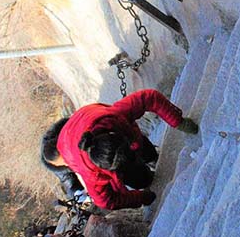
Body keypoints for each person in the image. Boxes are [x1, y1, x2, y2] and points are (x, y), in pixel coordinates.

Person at [55, 88, 198, 210]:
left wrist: (179, 122)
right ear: (110, 170)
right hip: (67, 145)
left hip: (89, 115)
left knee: (143, 149)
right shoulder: (92, 175)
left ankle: (149, 156)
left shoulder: (114, 118)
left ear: (117, 135)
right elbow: (106, 201)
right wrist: (141, 198)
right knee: (142, 180)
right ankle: (143, 172)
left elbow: (149, 97)